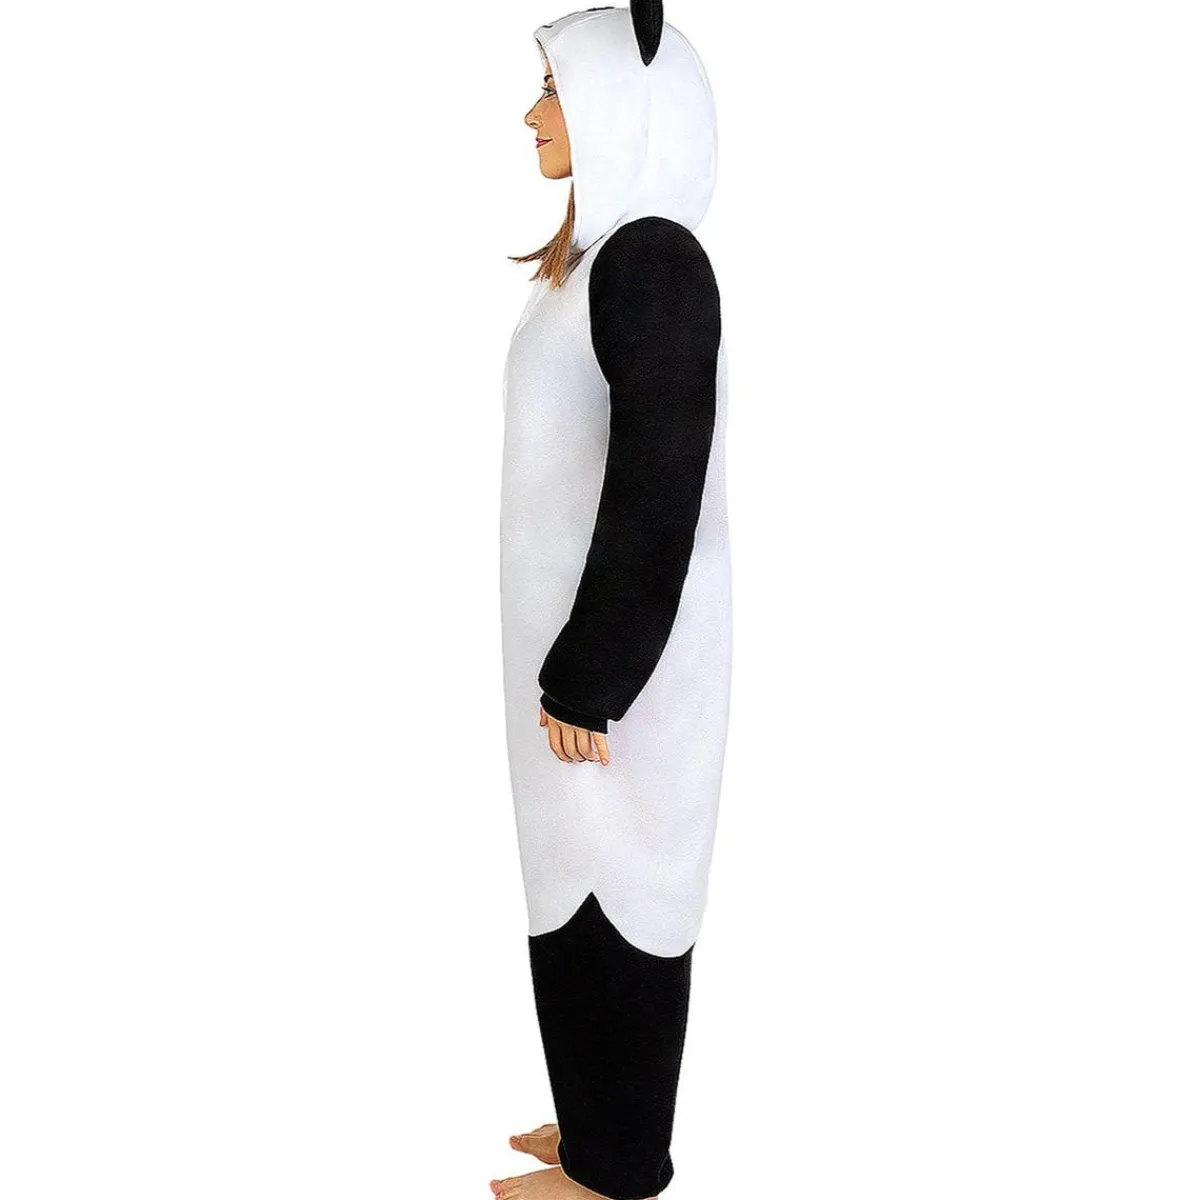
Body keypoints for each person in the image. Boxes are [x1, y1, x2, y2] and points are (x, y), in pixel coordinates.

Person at [495, 5, 731, 1198]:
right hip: (572, 665)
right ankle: (594, 1125)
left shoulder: (652, 263)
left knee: (623, 884)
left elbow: (661, 478)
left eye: (553, 88)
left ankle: (617, 1168)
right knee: (569, 877)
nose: (532, 114)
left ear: (621, 104)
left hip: (614, 680)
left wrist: (593, 673)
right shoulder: (595, 268)